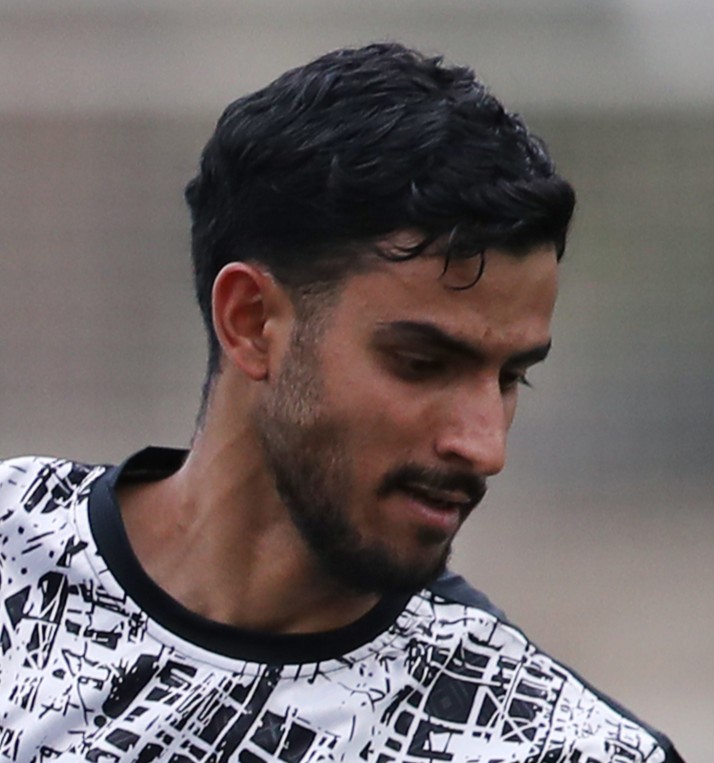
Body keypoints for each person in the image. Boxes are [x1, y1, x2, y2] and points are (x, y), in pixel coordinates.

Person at [0, 43, 684, 763]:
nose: (485, 446)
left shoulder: (555, 747)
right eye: (422, 364)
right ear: (251, 322)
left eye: (511, 377)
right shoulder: (15, 561)